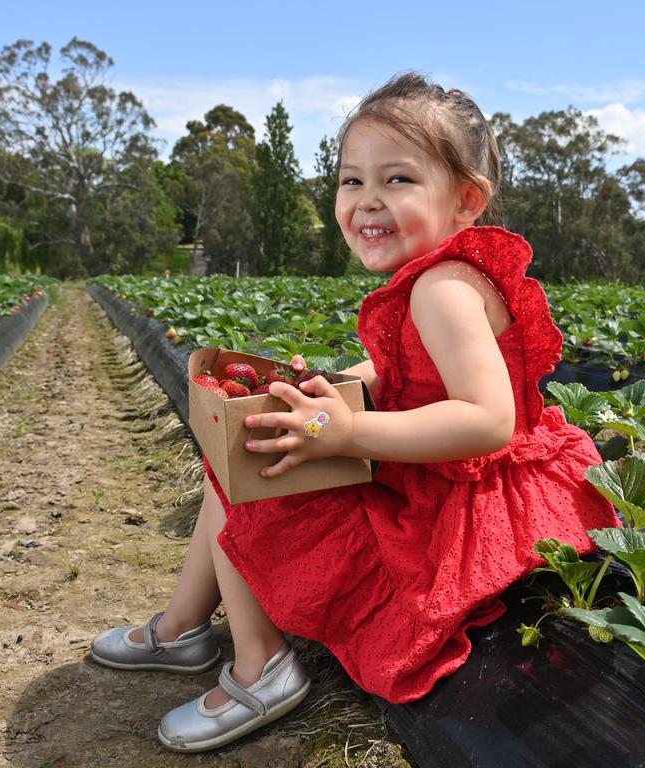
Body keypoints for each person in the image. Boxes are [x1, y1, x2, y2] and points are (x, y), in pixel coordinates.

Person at [90, 71, 618, 753]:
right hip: (450, 472)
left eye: (397, 180)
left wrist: (348, 429)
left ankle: (260, 666)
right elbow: (406, 370)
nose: (368, 201)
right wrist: (339, 385)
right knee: (249, 442)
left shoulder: (441, 290)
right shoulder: (441, 277)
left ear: (465, 199)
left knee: (252, 465)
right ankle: (184, 628)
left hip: (461, 504)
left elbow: (488, 419)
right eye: (351, 181)